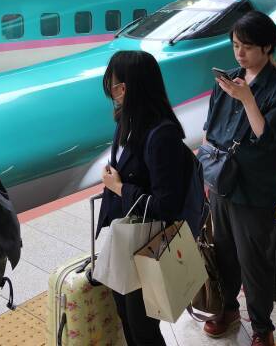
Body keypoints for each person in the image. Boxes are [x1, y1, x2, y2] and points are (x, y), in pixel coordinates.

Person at [201, 11, 276, 346]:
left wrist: (247, 100)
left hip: (255, 190)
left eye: (247, 47)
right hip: (222, 182)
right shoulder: (228, 78)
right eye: (235, 45)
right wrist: (206, 173)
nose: (239, 53)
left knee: (253, 259)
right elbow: (210, 130)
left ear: (268, 47)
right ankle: (227, 309)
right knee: (223, 251)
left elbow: (269, 140)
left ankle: (262, 328)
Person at [97, 50, 193, 346]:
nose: (112, 91)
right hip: (125, 238)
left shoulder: (161, 135)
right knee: (127, 316)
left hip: (144, 245)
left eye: (114, 84)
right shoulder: (128, 120)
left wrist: (119, 188)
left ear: (126, 87)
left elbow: (167, 205)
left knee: (143, 329)